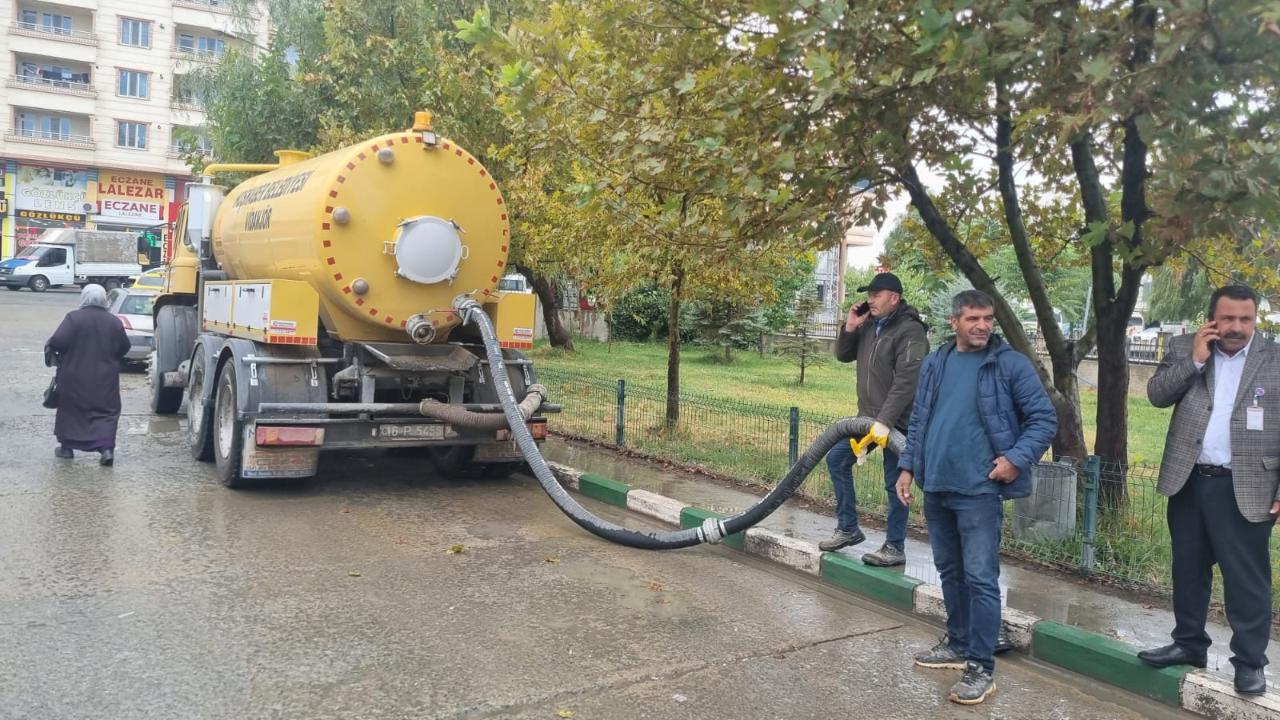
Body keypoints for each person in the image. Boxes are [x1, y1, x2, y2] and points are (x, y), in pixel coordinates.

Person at [895, 290, 1056, 705]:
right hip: (939, 485)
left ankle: (981, 666)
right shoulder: (936, 362)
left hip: (980, 490)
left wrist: (1016, 460)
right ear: (954, 322)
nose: (983, 325)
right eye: (973, 318)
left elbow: (1044, 419)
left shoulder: (1010, 365)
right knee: (949, 571)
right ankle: (959, 642)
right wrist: (908, 466)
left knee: (981, 577)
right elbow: (920, 420)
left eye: (988, 318)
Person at [1139, 284, 1277, 695]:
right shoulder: (1185, 347)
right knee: (1188, 569)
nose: (1236, 327)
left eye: (1245, 319)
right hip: (1190, 480)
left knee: (1247, 579)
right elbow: (1156, 395)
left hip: (1247, 484)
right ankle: (1189, 644)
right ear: (1212, 318)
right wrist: (1196, 361)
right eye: (1228, 319)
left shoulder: (1275, 358)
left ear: (1256, 319)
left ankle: (1250, 662)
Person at [819, 272, 928, 567]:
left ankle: (894, 547)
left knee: (895, 483)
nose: (870, 299)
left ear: (894, 298)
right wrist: (850, 327)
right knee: (837, 460)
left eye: (877, 295)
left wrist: (885, 422)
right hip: (867, 420)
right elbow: (843, 355)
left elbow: (907, 382)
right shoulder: (869, 326)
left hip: (898, 424)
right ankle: (848, 528)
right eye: (869, 294)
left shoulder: (911, 331)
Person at [46, 284, 130, 466]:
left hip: (74, 377)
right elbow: (125, 347)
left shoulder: (74, 318)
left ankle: (66, 448)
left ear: (84, 298)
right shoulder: (113, 322)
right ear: (103, 300)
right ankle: (106, 449)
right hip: (105, 380)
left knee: (70, 410)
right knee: (106, 413)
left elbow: (59, 341)